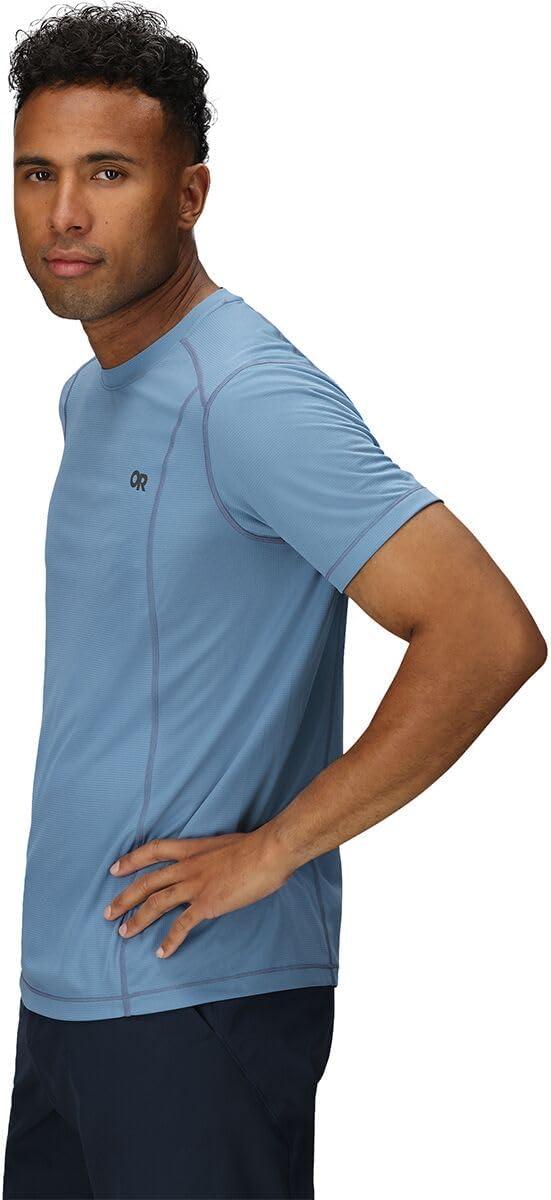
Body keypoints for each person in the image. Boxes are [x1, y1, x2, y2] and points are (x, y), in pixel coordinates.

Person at [3, 5, 546, 1199]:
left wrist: (272, 853)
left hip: (197, 1005)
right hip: (70, 999)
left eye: (108, 173)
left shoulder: (245, 396)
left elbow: (485, 633)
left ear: (189, 194)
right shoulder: (95, 395)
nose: (65, 214)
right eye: (38, 173)